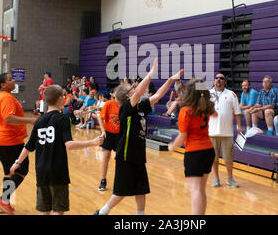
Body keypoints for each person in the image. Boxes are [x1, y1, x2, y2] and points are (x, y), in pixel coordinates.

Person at [94, 59, 183, 215]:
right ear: (128, 96)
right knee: (121, 191)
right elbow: (140, 92)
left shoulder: (140, 107)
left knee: (141, 189)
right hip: (126, 155)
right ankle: (102, 212)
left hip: (138, 155)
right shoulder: (126, 108)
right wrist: (150, 74)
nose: (134, 89)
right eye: (132, 89)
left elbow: (157, 95)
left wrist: (170, 80)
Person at [9, 84, 103, 215]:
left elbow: (28, 146)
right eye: (63, 96)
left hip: (41, 171)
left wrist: (17, 162)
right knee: (58, 210)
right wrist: (92, 142)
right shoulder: (62, 119)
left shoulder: (39, 121)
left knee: (44, 210)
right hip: (57, 171)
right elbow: (69, 145)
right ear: (60, 98)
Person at [168, 78, 216, 215]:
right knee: (201, 190)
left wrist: (172, 147)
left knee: (195, 190)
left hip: (195, 152)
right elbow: (215, 113)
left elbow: (182, 136)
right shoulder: (207, 107)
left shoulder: (185, 110)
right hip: (208, 150)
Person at [0, 73, 37, 215]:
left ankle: (4, 203)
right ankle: (3, 200)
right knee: (22, 170)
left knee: (9, 172)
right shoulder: (6, 98)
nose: (14, 80)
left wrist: (21, 130)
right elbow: (9, 119)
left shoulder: (1, 97)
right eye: (10, 79)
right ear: (3, 85)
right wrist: (30, 121)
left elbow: (8, 120)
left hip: (3, 139)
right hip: (9, 141)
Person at [208, 73, 243, 188]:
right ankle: (216, 178)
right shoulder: (208, 94)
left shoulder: (231, 94)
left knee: (228, 157)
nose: (219, 80)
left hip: (227, 132)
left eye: (221, 78)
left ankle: (230, 178)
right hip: (212, 132)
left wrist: (240, 127)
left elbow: (237, 112)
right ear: (214, 81)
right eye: (217, 78)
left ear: (225, 82)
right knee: (214, 157)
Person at [97, 91, 121, 191]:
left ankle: (119, 181)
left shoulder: (125, 105)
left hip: (120, 135)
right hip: (108, 134)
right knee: (106, 156)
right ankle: (103, 180)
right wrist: (103, 131)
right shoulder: (108, 104)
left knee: (120, 159)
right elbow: (100, 117)